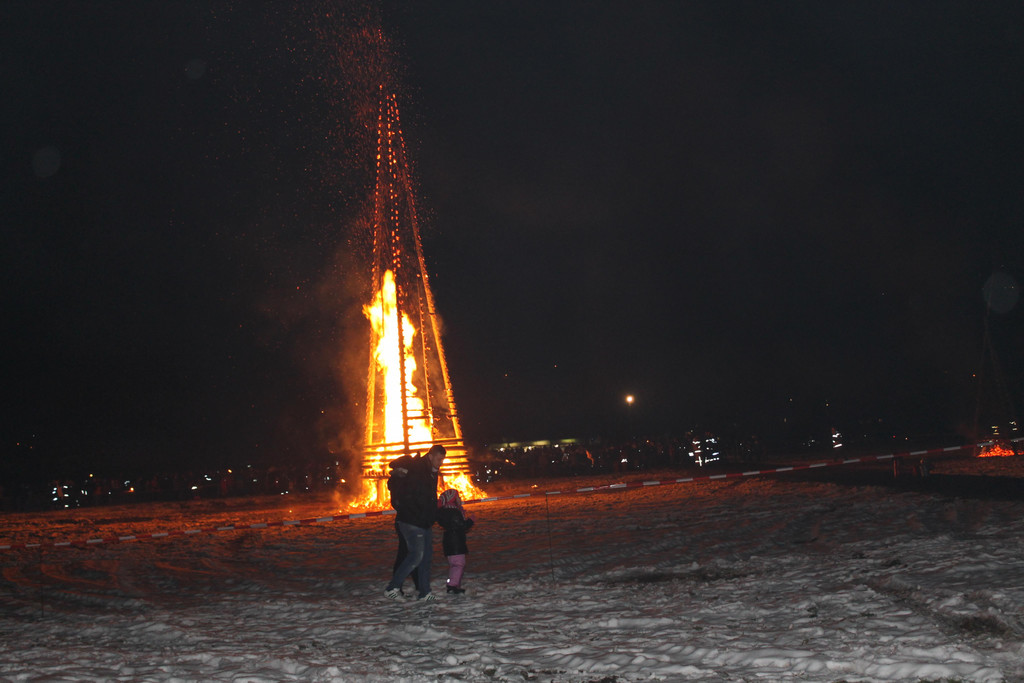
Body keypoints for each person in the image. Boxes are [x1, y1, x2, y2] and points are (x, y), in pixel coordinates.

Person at [384, 444, 446, 601]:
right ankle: (392, 587)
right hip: (411, 520)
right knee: (415, 556)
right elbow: (409, 494)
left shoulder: (432, 471)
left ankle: (425, 592)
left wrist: (433, 515)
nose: (440, 463)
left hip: (424, 520)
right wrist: (413, 510)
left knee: (426, 558)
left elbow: (429, 496)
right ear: (430, 456)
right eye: (439, 459)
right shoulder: (417, 470)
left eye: (442, 460)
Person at [436, 488, 474, 594]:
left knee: (454, 564)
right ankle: (452, 585)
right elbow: (461, 526)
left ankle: (453, 583)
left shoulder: (443, 511)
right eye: (457, 497)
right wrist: (470, 521)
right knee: (459, 564)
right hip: (455, 541)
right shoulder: (453, 511)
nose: (459, 498)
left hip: (449, 541)